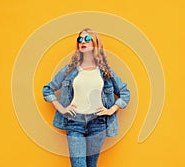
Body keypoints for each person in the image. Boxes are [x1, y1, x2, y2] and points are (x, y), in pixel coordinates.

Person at [43, 28, 130, 167]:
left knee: (91, 165)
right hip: (75, 123)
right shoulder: (69, 70)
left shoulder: (105, 71)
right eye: (80, 39)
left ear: (95, 43)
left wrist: (110, 110)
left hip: (98, 123)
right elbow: (47, 90)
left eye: (87, 39)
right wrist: (62, 109)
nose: (82, 42)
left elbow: (125, 93)